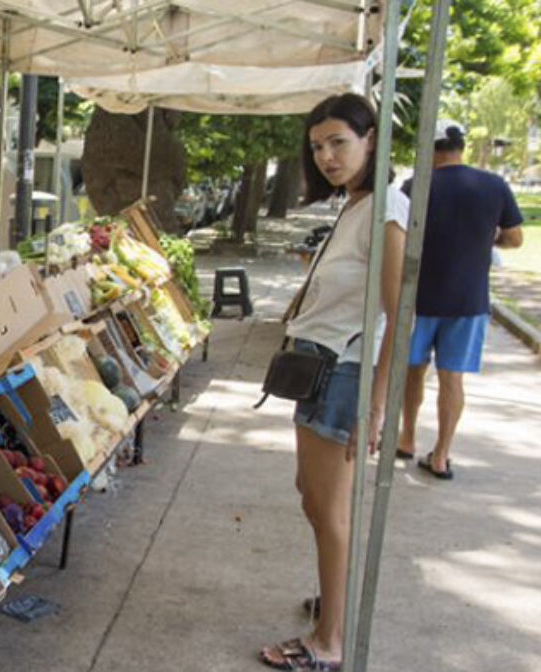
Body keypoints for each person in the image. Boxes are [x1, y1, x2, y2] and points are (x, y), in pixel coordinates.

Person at [259, 93, 408, 671]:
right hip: (321, 366)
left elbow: (400, 312)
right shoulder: (357, 202)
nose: (326, 155)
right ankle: (334, 605)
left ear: (372, 140)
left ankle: (329, 641)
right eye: (318, 146)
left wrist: (375, 404)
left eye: (339, 142)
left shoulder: (385, 209)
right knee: (313, 497)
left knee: (330, 508)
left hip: (344, 372)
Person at [398, 120, 524, 479]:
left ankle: (406, 438)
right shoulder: (494, 185)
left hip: (418, 298)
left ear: (431, 149)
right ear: (462, 147)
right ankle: (441, 455)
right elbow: (515, 239)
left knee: (411, 373)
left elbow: (399, 234)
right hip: (469, 300)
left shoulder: (416, 186)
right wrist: (489, 237)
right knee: (453, 380)